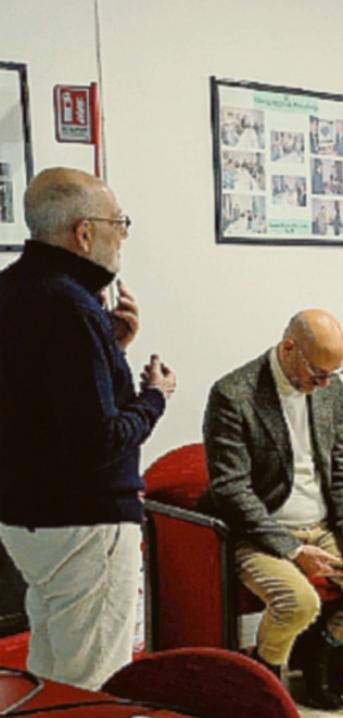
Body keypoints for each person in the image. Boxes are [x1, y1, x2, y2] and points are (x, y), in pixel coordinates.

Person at [0, 167, 176, 690]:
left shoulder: (13, 290)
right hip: (84, 522)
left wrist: (110, 349)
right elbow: (97, 441)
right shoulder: (72, 306)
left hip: (25, 520)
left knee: (51, 675)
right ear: (83, 232)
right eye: (118, 222)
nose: (121, 235)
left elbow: (41, 403)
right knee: (92, 688)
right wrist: (154, 398)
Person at [202, 310, 343, 710]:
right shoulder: (234, 394)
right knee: (298, 602)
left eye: (333, 374)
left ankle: (326, 647)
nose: (323, 384)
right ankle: (264, 684)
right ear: (288, 349)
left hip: (324, 529)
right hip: (261, 536)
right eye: (318, 373)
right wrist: (292, 549)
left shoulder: (330, 391)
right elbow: (231, 489)